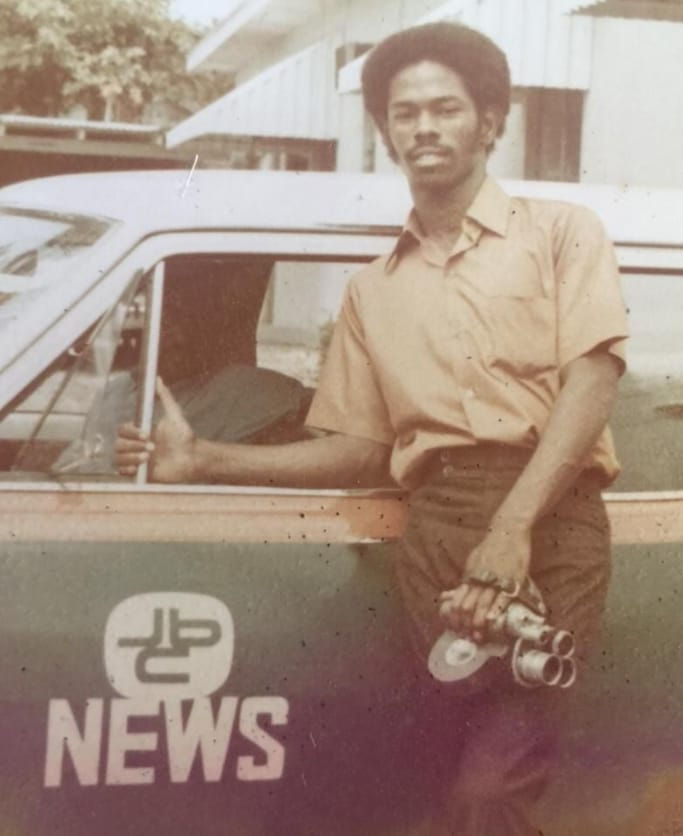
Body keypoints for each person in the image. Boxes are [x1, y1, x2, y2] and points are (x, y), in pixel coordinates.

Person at [116, 22, 628, 834]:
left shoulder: (562, 233)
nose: (423, 127)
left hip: (548, 519)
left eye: (445, 108)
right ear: (386, 131)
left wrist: (510, 531)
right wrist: (205, 456)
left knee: (489, 789)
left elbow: (591, 381)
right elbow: (360, 448)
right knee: (428, 780)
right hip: (433, 527)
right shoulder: (371, 290)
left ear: (490, 121)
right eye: (404, 112)